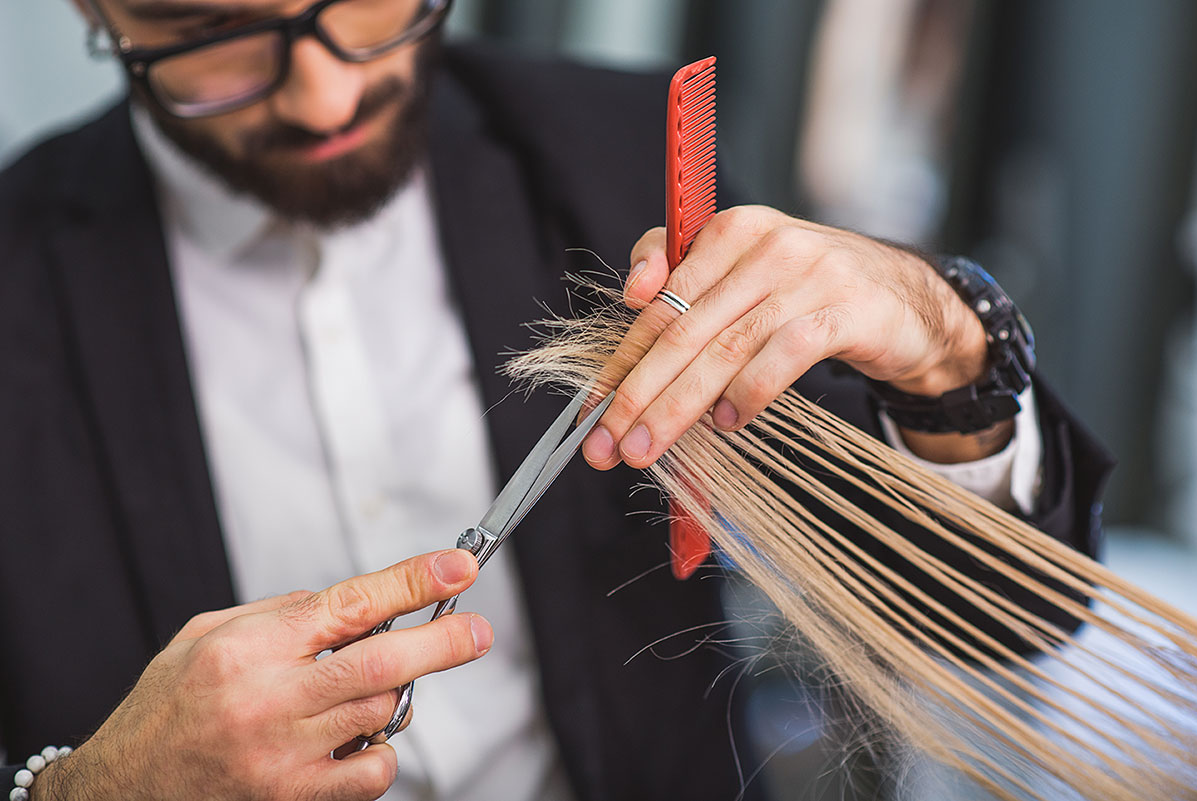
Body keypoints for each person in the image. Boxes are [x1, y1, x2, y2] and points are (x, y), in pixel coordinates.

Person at [0, 0, 1112, 799]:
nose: (325, 92)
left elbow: (995, 618)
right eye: (210, 30)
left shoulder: (620, 156)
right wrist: (86, 793)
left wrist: (945, 343)